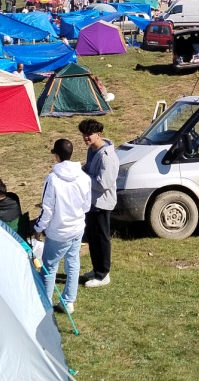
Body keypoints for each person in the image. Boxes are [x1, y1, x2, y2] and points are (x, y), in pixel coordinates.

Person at [33, 139, 91, 314]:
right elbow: (87, 205)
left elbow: (47, 209)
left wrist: (38, 228)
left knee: (49, 267)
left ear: (57, 156)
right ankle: (68, 302)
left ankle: (45, 303)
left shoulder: (52, 179)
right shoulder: (84, 177)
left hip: (58, 233)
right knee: (73, 263)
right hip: (77, 228)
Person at [79, 119, 117, 288]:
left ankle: (103, 274)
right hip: (91, 202)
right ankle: (96, 269)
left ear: (99, 134)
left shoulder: (107, 156)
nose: (86, 138)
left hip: (102, 203)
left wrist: (84, 178)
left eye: (89, 134)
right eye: (84, 134)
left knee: (101, 239)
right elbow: (88, 169)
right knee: (93, 239)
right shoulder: (91, 150)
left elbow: (103, 184)